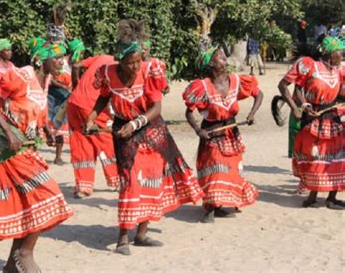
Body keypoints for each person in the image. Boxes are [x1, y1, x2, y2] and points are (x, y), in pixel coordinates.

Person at [85, 20, 204, 255]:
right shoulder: (108, 73)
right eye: (130, 63)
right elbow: (103, 97)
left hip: (151, 130)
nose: (135, 66)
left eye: (138, 61)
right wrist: (91, 117)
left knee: (152, 179)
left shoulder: (150, 71)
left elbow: (156, 107)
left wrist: (135, 123)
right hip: (124, 132)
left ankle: (141, 234)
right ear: (120, 61)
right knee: (129, 181)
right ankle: (122, 238)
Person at [0, 49, 73, 273]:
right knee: (47, 193)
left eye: (62, 58)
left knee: (28, 204)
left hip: (27, 148)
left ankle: (11, 265)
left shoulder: (45, 83)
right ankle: (24, 253)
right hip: (9, 150)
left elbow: (36, 113)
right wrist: (8, 132)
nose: (60, 62)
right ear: (40, 58)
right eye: (55, 57)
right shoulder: (23, 75)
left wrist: (48, 130)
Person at [183, 47, 263, 223]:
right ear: (211, 63)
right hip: (211, 136)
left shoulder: (236, 81)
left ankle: (218, 206)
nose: (225, 61)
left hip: (231, 134)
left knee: (231, 170)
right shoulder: (201, 86)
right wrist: (198, 130)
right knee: (215, 170)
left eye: (225, 58)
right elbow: (189, 113)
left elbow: (259, 94)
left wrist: (251, 114)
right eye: (220, 58)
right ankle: (210, 209)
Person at [278, 36, 344, 209]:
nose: (343, 56)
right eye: (341, 53)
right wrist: (298, 107)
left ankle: (331, 197)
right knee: (317, 155)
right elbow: (287, 86)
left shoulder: (338, 70)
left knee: (337, 155)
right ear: (331, 53)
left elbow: (341, 92)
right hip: (313, 117)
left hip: (332, 116)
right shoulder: (309, 65)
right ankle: (311, 198)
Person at [67, 51, 120, 198]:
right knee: (107, 140)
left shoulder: (103, 57)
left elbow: (76, 66)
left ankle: (83, 187)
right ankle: (117, 180)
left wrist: (76, 88)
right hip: (92, 105)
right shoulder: (120, 67)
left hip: (74, 103)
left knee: (81, 142)